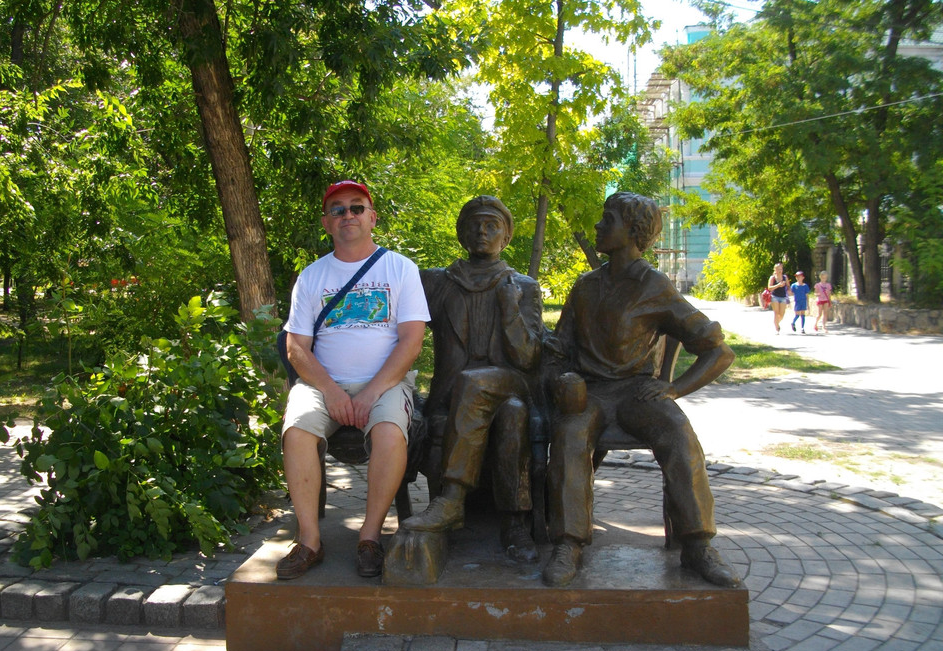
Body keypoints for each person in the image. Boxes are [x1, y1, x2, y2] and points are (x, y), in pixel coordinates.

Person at [543, 191, 740, 589]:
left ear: (633, 231)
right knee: (570, 433)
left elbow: (719, 352)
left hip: (637, 392)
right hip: (591, 392)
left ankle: (698, 545)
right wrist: (561, 378)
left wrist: (674, 389)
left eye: (608, 219)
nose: (598, 225)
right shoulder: (584, 286)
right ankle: (569, 544)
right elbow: (559, 349)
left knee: (679, 433)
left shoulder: (655, 286)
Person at [277, 180, 429, 580]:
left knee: (390, 433)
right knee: (297, 431)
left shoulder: (400, 268)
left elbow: (412, 341)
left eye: (357, 207)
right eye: (338, 209)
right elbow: (296, 348)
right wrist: (330, 390)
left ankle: (370, 536)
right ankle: (309, 540)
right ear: (327, 223)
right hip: (321, 384)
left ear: (372, 217)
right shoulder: (311, 277)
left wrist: (371, 392)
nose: (348, 215)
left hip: (386, 382)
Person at [399, 196, 544, 561]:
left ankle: (455, 501)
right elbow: (399, 329)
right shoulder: (436, 282)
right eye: (474, 224)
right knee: (511, 414)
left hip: (511, 382)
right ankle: (513, 522)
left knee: (477, 383)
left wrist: (510, 310)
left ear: (506, 238)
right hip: (457, 395)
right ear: (462, 234)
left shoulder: (523, 286)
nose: (482, 231)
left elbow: (528, 358)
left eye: (492, 225)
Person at [767, 263, 791, 334]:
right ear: (775, 270)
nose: (780, 271)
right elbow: (769, 288)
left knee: (782, 314)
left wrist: (789, 290)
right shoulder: (772, 278)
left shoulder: (785, 277)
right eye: (778, 269)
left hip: (783, 297)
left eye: (781, 269)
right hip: (774, 297)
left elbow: (788, 286)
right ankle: (777, 328)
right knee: (776, 312)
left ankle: (776, 322)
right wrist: (778, 285)